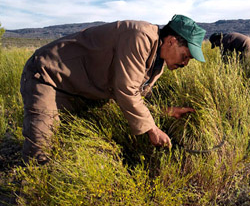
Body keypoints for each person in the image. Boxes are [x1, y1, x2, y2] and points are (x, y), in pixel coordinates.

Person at [20, 14, 206, 164]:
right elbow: (126, 90)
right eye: (186, 56)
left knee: (70, 143)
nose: (185, 63)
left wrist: (166, 112)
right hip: (48, 75)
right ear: (172, 41)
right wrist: (152, 129)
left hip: (80, 88)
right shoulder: (140, 36)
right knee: (40, 148)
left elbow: (137, 95)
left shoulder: (158, 60)